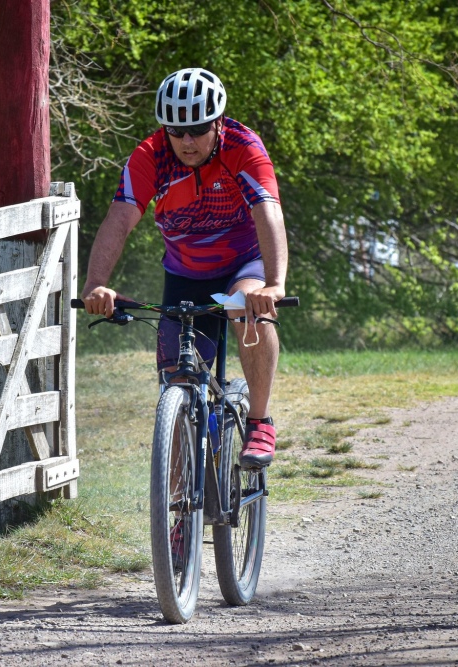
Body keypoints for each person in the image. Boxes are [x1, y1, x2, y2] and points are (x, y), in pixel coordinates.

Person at [81, 67, 288, 467]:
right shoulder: (150, 155)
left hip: (244, 263)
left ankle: (260, 420)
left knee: (242, 306)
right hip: (185, 273)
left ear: (218, 121)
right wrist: (96, 284)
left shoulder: (243, 146)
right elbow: (120, 218)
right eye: (176, 132)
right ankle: (178, 520)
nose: (187, 141)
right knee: (175, 389)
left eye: (197, 129)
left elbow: (268, 211)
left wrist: (275, 283)